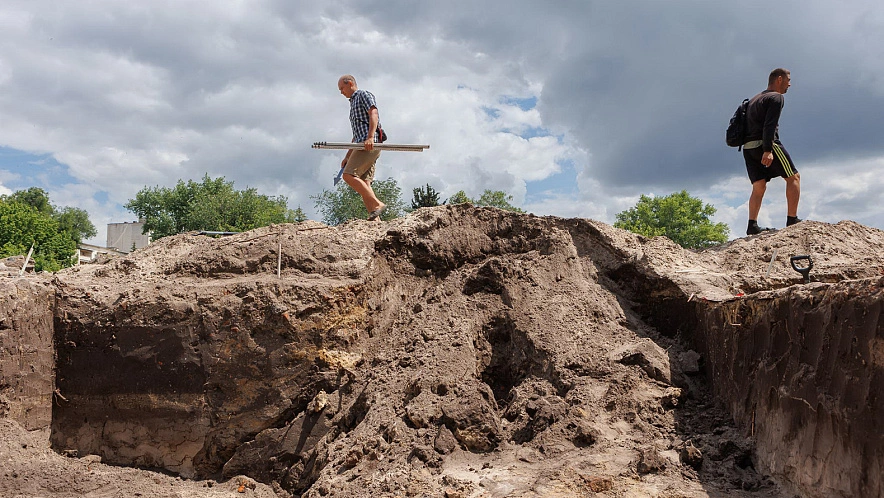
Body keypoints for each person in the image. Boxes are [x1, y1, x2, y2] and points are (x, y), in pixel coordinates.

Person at [741, 68, 801, 235]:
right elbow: (769, 125)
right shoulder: (776, 98)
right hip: (765, 144)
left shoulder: (754, 99)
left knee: (759, 185)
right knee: (794, 177)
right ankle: (792, 219)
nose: (790, 84)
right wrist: (768, 149)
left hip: (748, 147)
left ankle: (752, 225)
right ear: (779, 79)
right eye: (788, 80)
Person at [337, 74, 386, 221]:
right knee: (364, 182)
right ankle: (375, 219)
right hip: (361, 142)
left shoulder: (363, 95)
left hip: (369, 144)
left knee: (348, 175)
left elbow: (374, 113)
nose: (341, 92)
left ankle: (377, 204)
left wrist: (371, 137)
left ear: (350, 83)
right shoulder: (353, 104)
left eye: (342, 88)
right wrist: (347, 156)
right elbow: (356, 134)